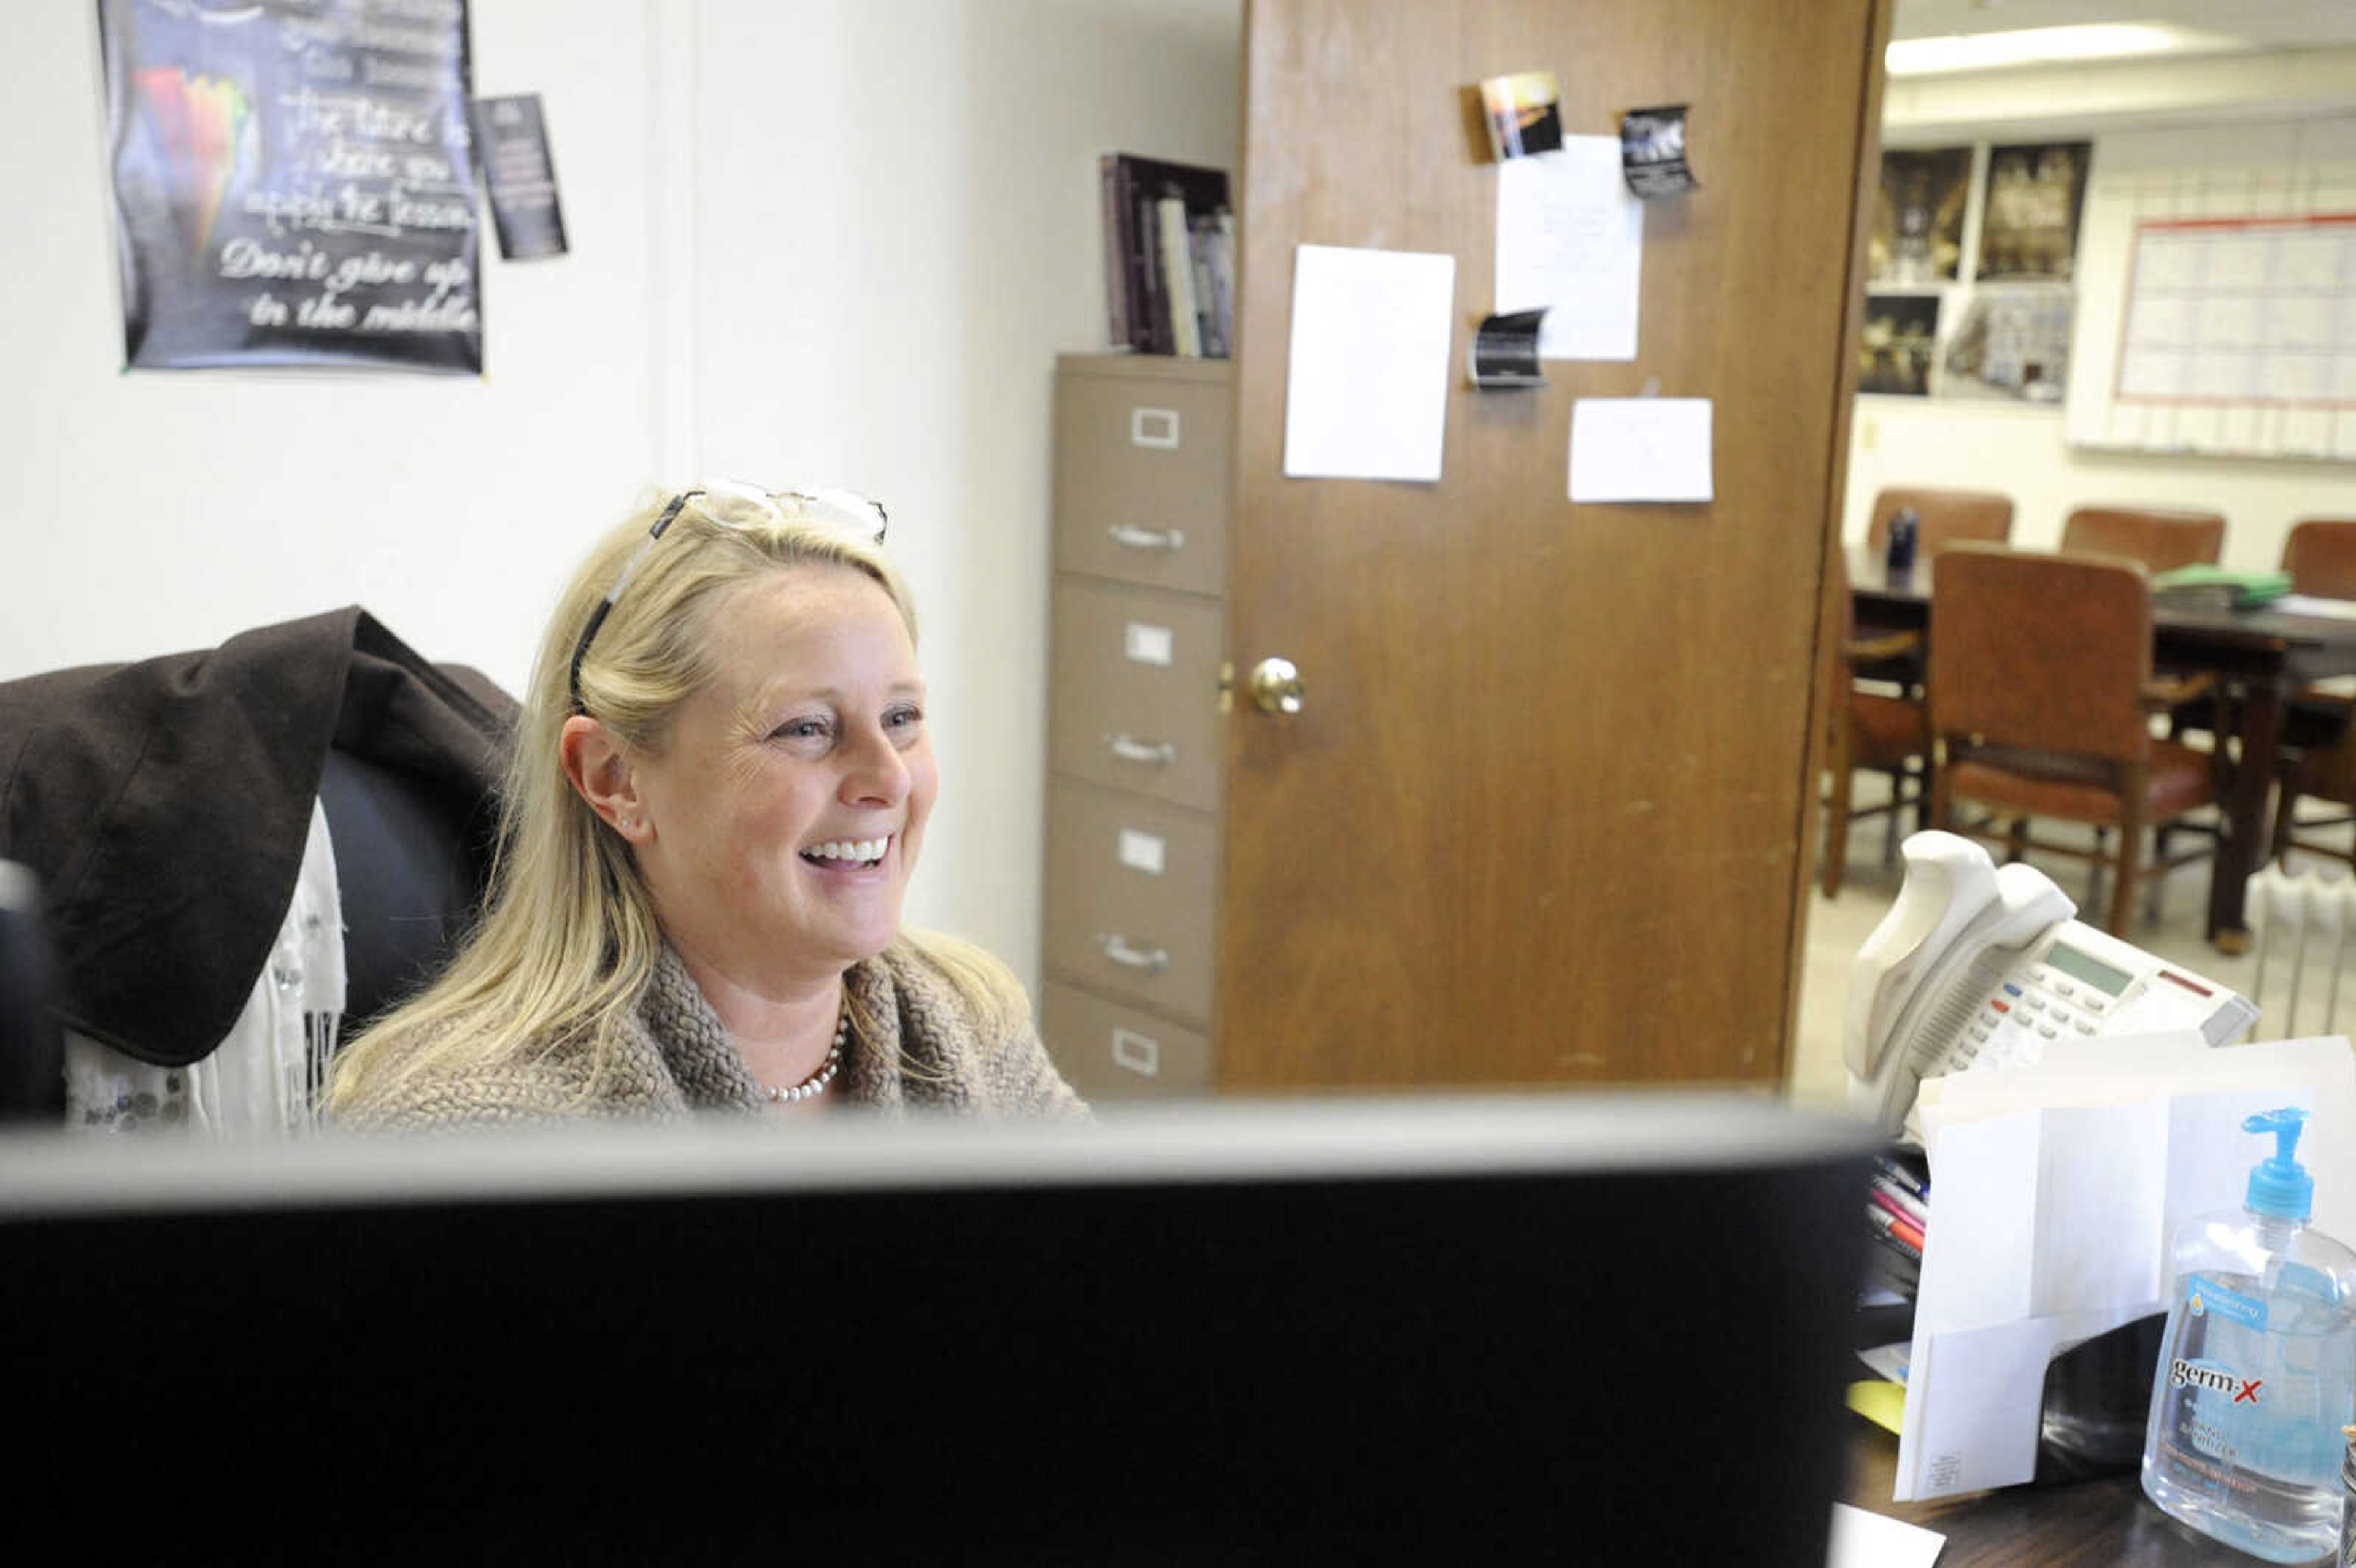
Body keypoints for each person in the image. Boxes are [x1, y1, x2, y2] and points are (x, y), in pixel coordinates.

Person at [326, 482, 1084, 1128]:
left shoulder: (974, 1027)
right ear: (615, 779)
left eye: (902, 719)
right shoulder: (461, 1134)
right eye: (809, 729)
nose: (888, 779)